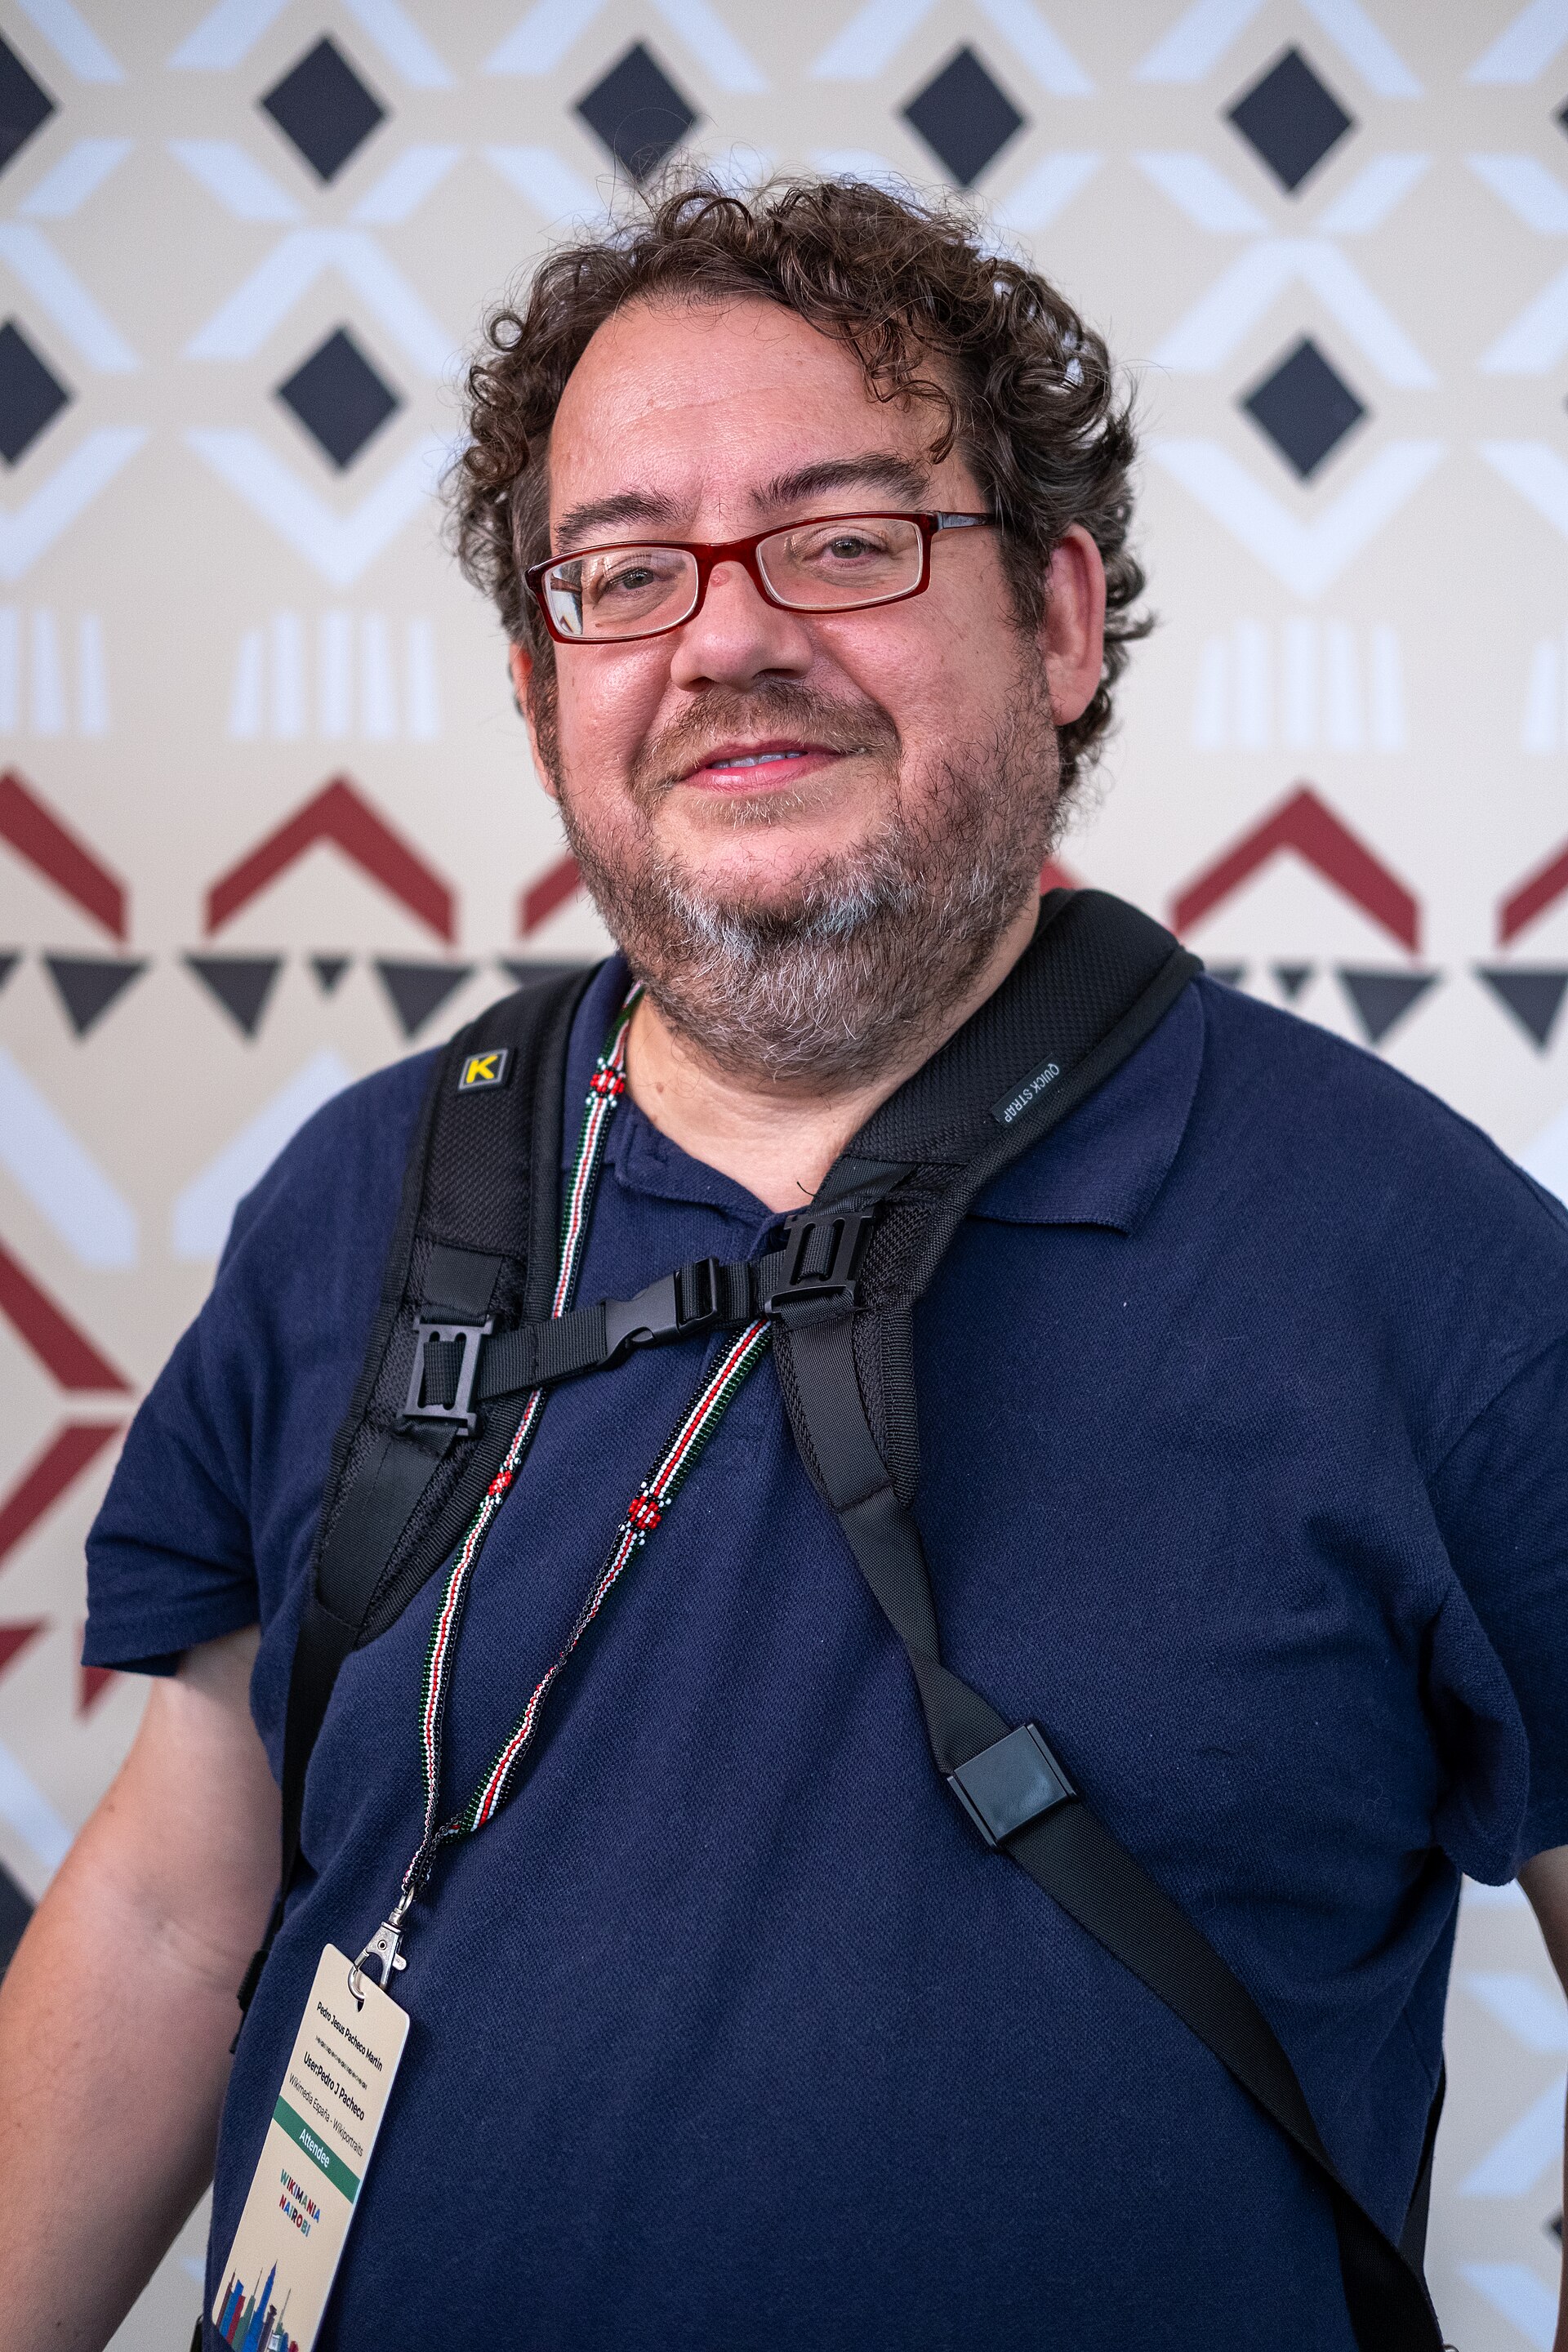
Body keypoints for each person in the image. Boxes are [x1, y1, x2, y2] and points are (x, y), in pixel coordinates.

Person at [0, 175, 1565, 2352]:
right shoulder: (362, 1204)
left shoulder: (1431, 1266)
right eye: (626, 571)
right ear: (546, 692)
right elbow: (181, 1917)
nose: (725, 639)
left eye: (843, 541)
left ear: (1059, 621)